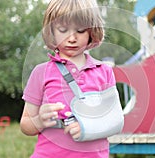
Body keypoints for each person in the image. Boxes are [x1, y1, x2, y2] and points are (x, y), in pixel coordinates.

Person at [20, 0, 123, 157]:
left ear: (92, 32)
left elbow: (115, 121)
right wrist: (39, 121)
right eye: (63, 29)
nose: (72, 38)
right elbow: (25, 125)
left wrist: (89, 127)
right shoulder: (41, 73)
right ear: (51, 32)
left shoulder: (104, 71)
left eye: (80, 30)